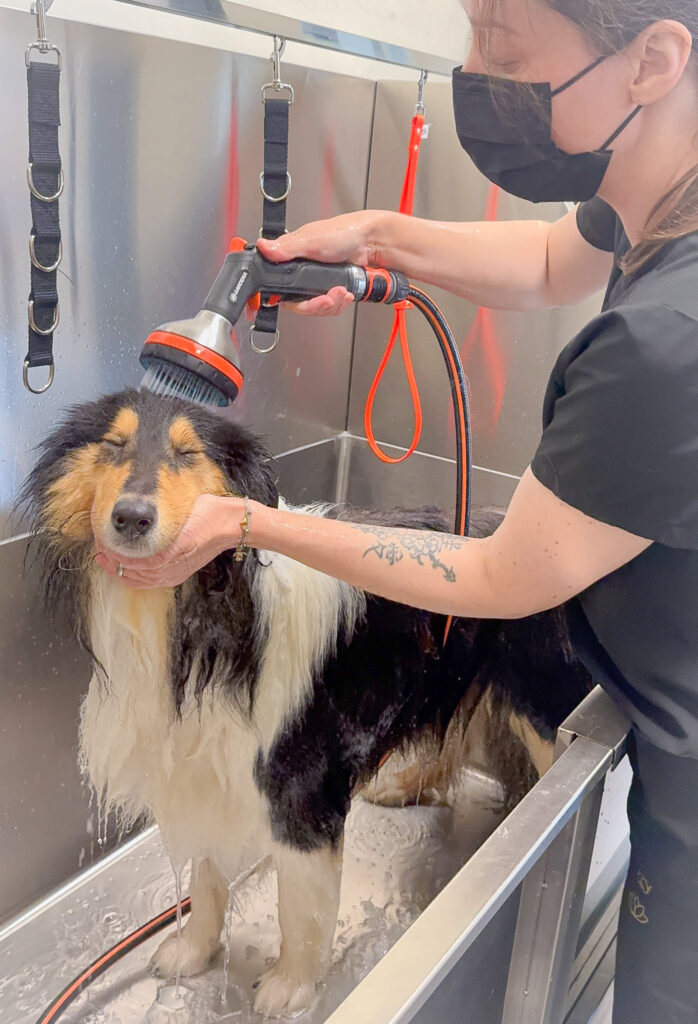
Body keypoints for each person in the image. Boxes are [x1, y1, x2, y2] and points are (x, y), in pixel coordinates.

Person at [98, 2, 698, 1020]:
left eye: (502, 50)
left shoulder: (662, 343)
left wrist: (250, 526)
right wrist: (372, 237)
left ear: (651, 61)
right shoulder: (658, 202)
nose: (474, 72)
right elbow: (554, 262)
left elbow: (500, 577)